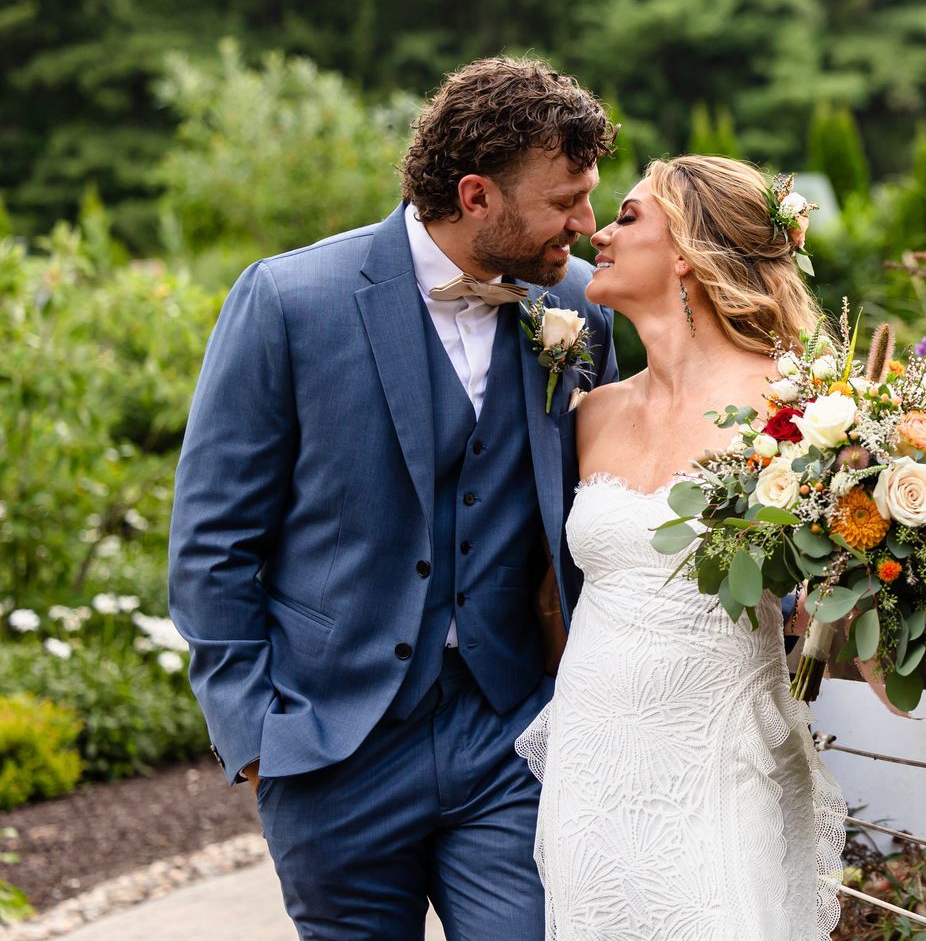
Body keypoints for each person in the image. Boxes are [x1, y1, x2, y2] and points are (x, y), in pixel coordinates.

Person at [168, 57, 619, 940]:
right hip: (335, 744)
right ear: (477, 194)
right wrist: (259, 736)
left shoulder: (577, 312)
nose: (588, 224)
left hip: (509, 734)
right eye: (565, 200)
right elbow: (211, 539)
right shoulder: (290, 301)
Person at [515, 155, 845, 940]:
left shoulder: (797, 406)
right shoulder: (590, 412)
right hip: (593, 764)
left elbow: (852, 563)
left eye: (627, 218)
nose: (598, 231)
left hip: (719, 758)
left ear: (689, 251)